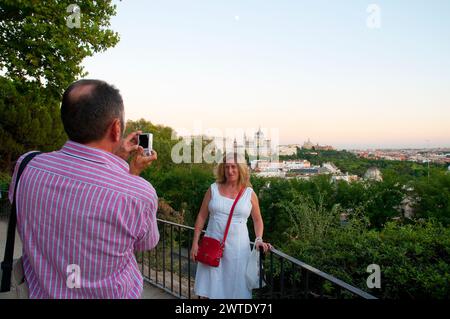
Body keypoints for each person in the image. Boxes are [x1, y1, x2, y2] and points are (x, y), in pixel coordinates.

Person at [8, 79, 159, 298]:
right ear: (116, 128)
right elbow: (145, 243)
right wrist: (132, 174)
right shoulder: (139, 193)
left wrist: (116, 160)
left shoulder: (27, 165)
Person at [190, 152, 271, 299]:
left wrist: (259, 239)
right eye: (227, 167)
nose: (230, 171)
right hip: (213, 245)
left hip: (238, 250)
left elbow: (257, 220)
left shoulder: (249, 193)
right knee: (212, 286)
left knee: (235, 288)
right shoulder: (213, 189)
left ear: (241, 169)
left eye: (234, 167)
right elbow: (202, 216)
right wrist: (195, 243)